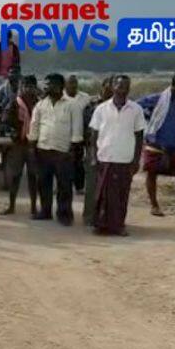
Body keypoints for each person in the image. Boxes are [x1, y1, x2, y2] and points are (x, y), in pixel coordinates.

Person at [88, 75, 145, 236]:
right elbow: (94, 134)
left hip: (125, 158)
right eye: (119, 86)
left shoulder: (136, 109)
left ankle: (119, 225)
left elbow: (139, 136)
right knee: (102, 194)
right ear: (113, 87)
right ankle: (100, 225)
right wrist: (93, 155)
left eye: (126, 86)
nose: (122, 89)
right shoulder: (101, 109)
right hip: (105, 157)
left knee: (121, 194)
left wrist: (136, 159)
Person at [138, 71, 175, 216]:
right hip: (156, 144)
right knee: (152, 174)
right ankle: (154, 205)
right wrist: (146, 121)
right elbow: (136, 106)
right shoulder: (158, 99)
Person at [28, 73, 83, 226]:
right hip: (43, 149)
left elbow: (77, 130)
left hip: (63, 152)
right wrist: (32, 148)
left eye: (49, 84)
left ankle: (64, 214)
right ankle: (45, 211)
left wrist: (72, 151)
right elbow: (34, 126)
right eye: (45, 84)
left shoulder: (72, 105)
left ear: (60, 86)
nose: (46, 87)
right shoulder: (40, 105)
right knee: (43, 183)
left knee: (64, 185)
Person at [1, 75, 40, 217]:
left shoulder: (39, 104)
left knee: (33, 177)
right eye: (26, 86)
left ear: (35, 88)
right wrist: (12, 131)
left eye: (31, 87)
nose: (28, 89)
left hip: (33, 144)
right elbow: (4, 119)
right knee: (15, 176)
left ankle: (34, 208)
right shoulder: (14, 103)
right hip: (18, 144)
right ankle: (11, 206)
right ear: (21, 87)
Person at [82, 76, 115, 226]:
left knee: (110, 188)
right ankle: (90, 218)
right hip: (94, 149)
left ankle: (106, 218)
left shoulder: (119, 106)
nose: (112, 89)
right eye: (110, 86)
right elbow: (85, 129)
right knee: (92, 187)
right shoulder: (92, 105)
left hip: (113, 150)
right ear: (103, 86)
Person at [64, 75, 92, 194]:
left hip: (79, 136)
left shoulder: (85, 98)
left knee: (78, 164)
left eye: (75, 83)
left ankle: (79, 187)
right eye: (70, 83)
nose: (73, 85)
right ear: (65, 84)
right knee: (62, 163)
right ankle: (62, 186)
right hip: (63, 136)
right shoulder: (60, 97)